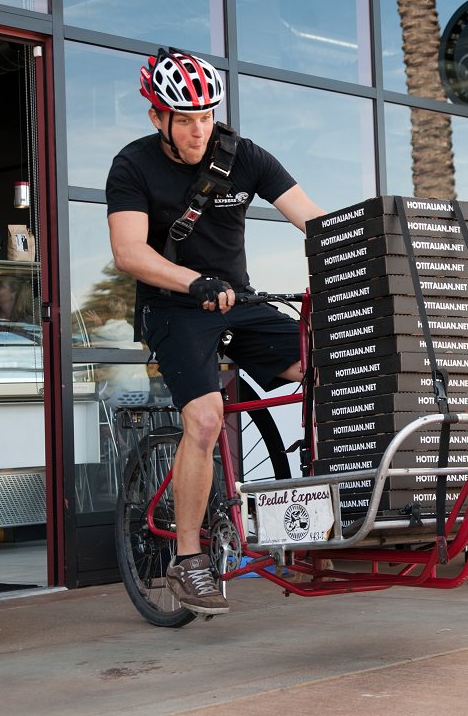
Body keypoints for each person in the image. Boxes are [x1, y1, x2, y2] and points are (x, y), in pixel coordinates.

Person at [106, 49, 323, 615]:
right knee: (203, 419)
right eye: (185, 118)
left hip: (239, 302)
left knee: (330, 371)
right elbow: (129, 253)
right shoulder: (132, 165)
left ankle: (331, 503)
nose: (199, 129)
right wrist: (192, 282)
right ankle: (188, 560)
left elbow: (316, 222)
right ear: (158, 118)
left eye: (206, 116)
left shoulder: (243, 157)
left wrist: (363, 258)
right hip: (173, 308)